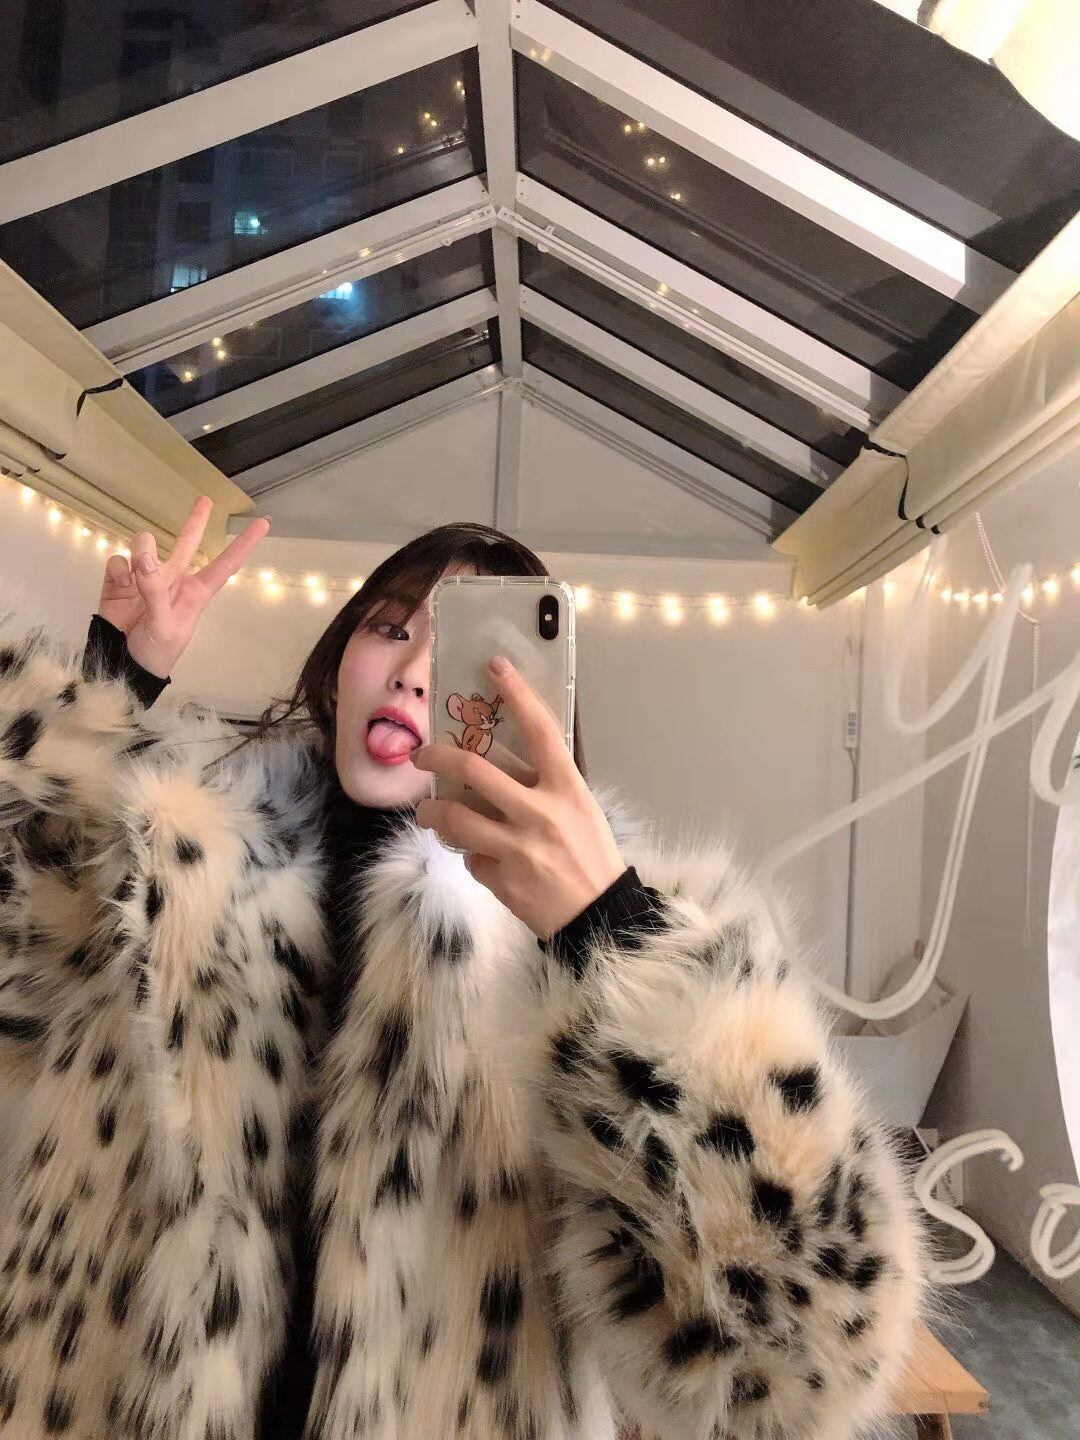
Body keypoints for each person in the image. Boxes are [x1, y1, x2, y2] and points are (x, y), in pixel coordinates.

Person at [0, 498, 925, 1440]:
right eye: (389, 628)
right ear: (338, 669)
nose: (411, 671)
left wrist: (611, 936)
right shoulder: (179, 872)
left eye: (466, 651)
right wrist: (115, 679)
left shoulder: (589, 963)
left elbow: (799, 1364)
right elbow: (24, 981)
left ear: (537, 710)